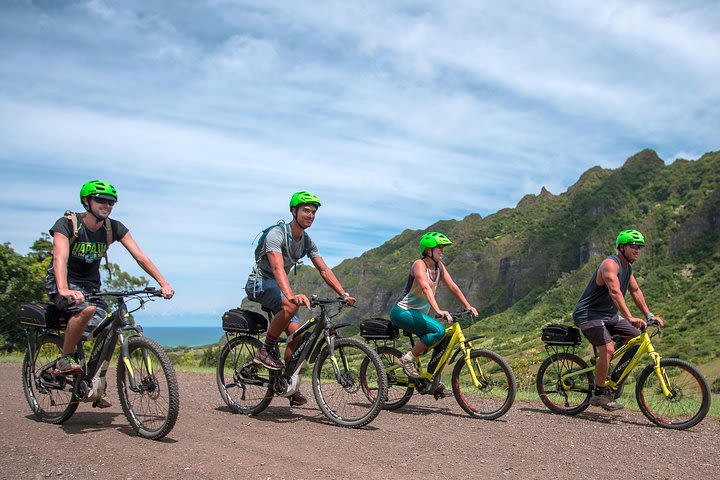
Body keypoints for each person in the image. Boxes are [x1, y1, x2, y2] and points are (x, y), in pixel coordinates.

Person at [46, 180, 174, 406]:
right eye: (101, 201)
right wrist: (64, 288)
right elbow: (60, 258)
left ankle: (93, 379)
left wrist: (163, 282)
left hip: (91, 287)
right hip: (63, 283)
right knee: (87, 310)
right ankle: (64, 359)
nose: (107, 205)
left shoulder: (113, 228)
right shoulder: (67, 224)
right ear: (86, 202)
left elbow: (140, 256)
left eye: (111, 202)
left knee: (109, 326)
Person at [245, 191, 356, 407]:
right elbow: (277, 267)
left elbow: (323, 269)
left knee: (297, 337)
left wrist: (343, 293)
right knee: (289, 306)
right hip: (259, 283)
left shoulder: (306, 240)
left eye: (313, 212)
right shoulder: (277, 234)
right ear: (293, 211)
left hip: (277, 286)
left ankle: (288, 384)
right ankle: (265, 350)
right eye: (306, 210)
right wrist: (290, 295)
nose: (311, 215)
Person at [572, 229, 664, 411]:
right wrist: (630, 317)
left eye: (640, 247)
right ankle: (598, 394)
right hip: (588, 314)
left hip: (609, 316)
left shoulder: (627, 268)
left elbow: (636, 291)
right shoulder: (610, 264)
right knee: (608, 348)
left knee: (636, 340)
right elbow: (615, 292)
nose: (637, 250)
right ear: (622, 247)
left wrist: (649, 315)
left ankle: (614, 381)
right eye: (633, 246)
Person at [390, 232, 478, 396]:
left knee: (443, 340)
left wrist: (468, 305)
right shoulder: (419, 264)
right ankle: (407, 359)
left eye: (442, 248)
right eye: (439, 247)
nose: (442, 251)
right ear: (428, 249)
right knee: (438, 330)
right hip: (402, 311)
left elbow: (453, 287)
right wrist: (438, 310)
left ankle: (431, 380)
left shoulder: (439, 267)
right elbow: (425, 287)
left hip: (417, 314)